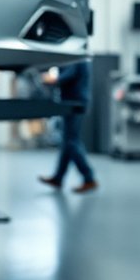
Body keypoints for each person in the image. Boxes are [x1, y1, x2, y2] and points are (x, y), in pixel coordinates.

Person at [38, 59, 99, 193]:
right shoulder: (78, 56)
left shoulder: (73, 57)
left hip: (74, 103)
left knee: (71, 141)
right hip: (73, 101)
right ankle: (58, 178)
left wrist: (52, 80)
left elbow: (69, 74)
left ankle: (89, 178)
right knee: (67, 142)